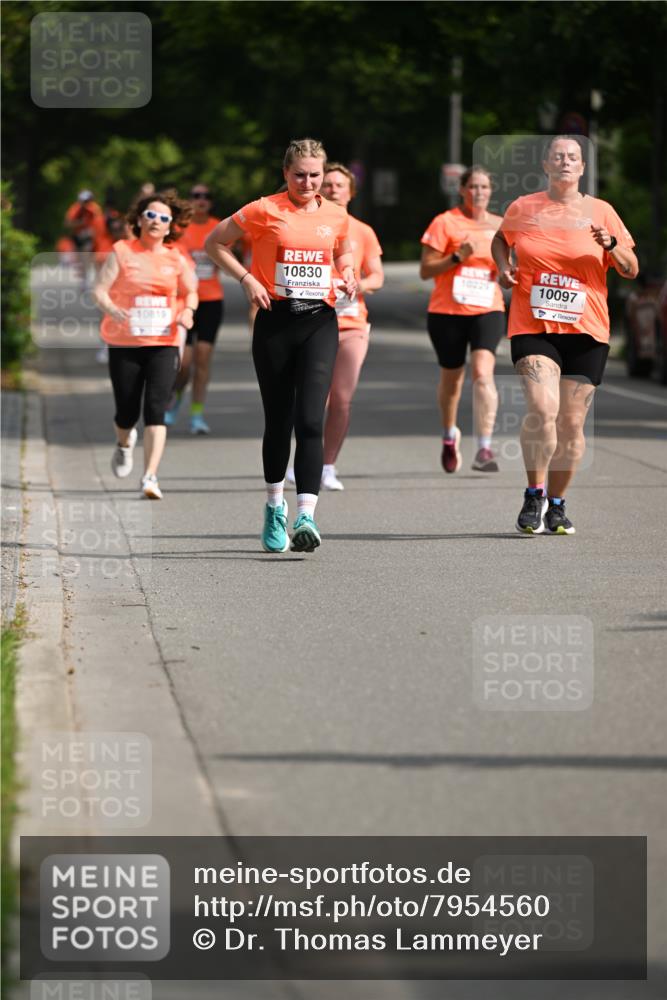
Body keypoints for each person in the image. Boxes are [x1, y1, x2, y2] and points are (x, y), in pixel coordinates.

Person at [205, 138, 356, 553]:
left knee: (311, 420)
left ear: (324, 175)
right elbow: (215, 243)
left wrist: (348, 272)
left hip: (320, 321)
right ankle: (275, 507)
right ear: (285, 174)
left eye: (315, 175)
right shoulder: (263, 209)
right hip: (275, 321)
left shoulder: (336, 214)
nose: (308, 182)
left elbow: (344, 251)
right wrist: (247, 278)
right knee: (280, 420)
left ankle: (307, 514)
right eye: (299, 175)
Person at [492, 135, 638, 534]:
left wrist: (610, 244)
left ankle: (557, 505)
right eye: (558, 156)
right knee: (542, 409)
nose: (565, 162)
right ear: (546, 165)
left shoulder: (601, 211)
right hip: (533, 324)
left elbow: (630, 268)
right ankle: (533, 493)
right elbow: (499, 241)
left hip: (588, 330)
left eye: (573, 157)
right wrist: (504, 268)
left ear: (583, 168)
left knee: (572, 425)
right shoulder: (524, 207)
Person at [94, 193, 198, 499]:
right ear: (139, 220)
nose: (156, 222)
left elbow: (191, 291)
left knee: (156, 408)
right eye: (151, 215)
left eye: (164, 218)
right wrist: (112, 309)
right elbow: (99, 290)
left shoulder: (176, 257)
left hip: (164, 342)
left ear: (170, 227)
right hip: (124, 341)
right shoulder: (122, 251)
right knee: (126, 412)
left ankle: (150, 477)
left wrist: (188, 311)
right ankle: (124, 443)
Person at [287, 162, 384, 490]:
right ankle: (302, 460)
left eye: (339, 185)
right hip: (311, 319)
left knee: (341, 398)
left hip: (351, 322)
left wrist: (357, 285)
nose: (332, 190)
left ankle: (328, 465)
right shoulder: (305, 225)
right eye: (327, 184)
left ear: (351, 192)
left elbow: (377, 276)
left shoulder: (363, 231)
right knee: (314, 399)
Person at [420, 166, 506, 473]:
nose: (478, 192)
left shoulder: (501, 226)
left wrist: (508, 272)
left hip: (487, 308)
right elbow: (426, 270)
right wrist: (457, 256)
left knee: (483, 373)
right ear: (463, 190)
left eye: (484, 187)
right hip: (447, 311)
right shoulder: (445, 223)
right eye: (473, 187)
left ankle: (484, 447)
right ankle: (448, 434)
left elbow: (512, 270)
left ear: (491, 191)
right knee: (452, 379)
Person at [165, 184, 224, 434]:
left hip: (211, 300)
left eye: (206, 196)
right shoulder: (178, 228)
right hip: (184, 302)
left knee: (202, 358)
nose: (201, 200)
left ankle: (197, 415)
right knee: (184, 362)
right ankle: (175, 400)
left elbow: (239, 247)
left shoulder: (219, 226)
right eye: (196, 196)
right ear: (190, 201)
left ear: (211, 202)